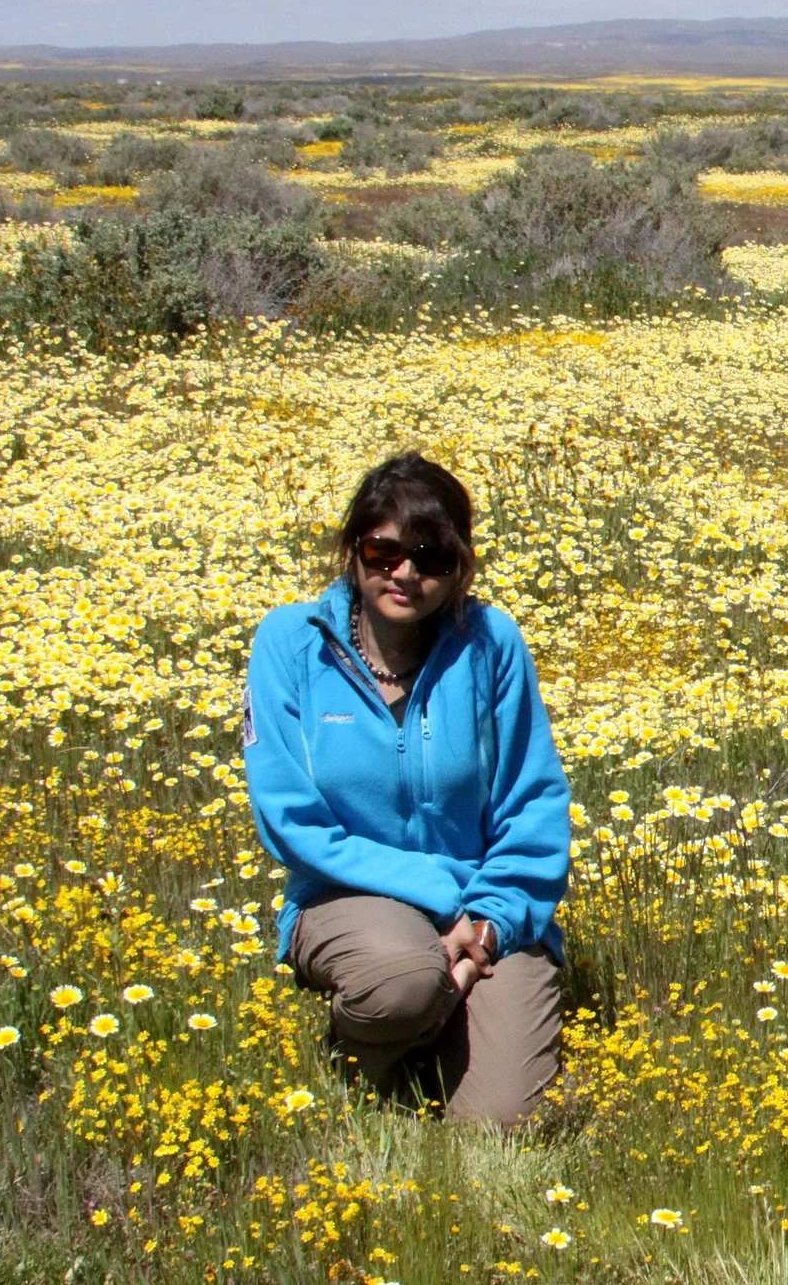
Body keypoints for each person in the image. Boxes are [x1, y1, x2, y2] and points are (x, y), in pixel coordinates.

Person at [244, 452, 573, 1128]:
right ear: (353, 548)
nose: (404, 572)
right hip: (347, 896)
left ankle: (422, 1041)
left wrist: (487, 923)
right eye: (383, 550)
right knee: (401, 981)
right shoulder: (289, 644)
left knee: (502, 1121)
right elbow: (290, 822)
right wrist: (439, 897)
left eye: (430, 556)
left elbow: (532, 805)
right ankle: (363, 1052)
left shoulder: (491, 643)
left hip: (483, 902)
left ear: (458, 566)